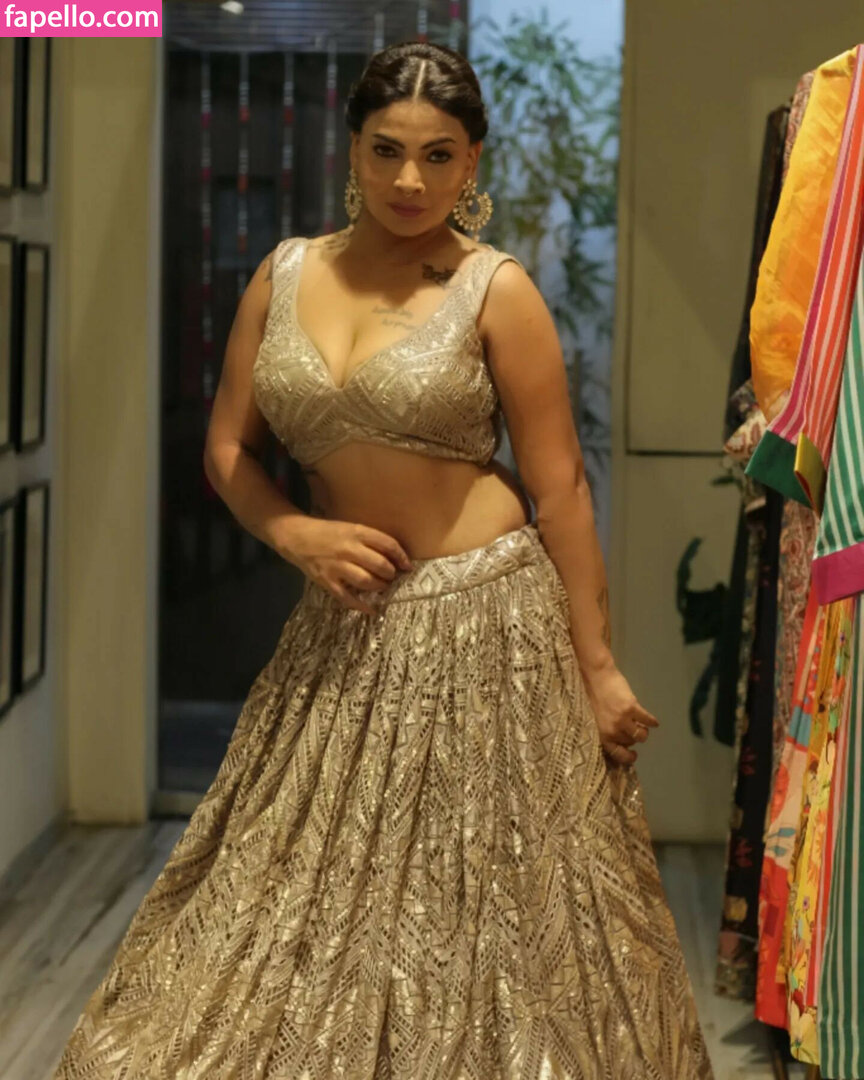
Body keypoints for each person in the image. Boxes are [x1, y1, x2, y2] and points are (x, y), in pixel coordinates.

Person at [54, 40, 715, 1080]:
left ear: (472, 163)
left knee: (496, 922)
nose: (410, 179)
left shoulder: (496, 289)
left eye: (438, 155)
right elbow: (228, 451)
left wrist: (597, 668)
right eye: (387, 150)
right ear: (352, 147)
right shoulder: (284, 274)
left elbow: (562, 494)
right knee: (287, 906)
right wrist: (293, 532)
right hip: (345, 626)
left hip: (492, 628)